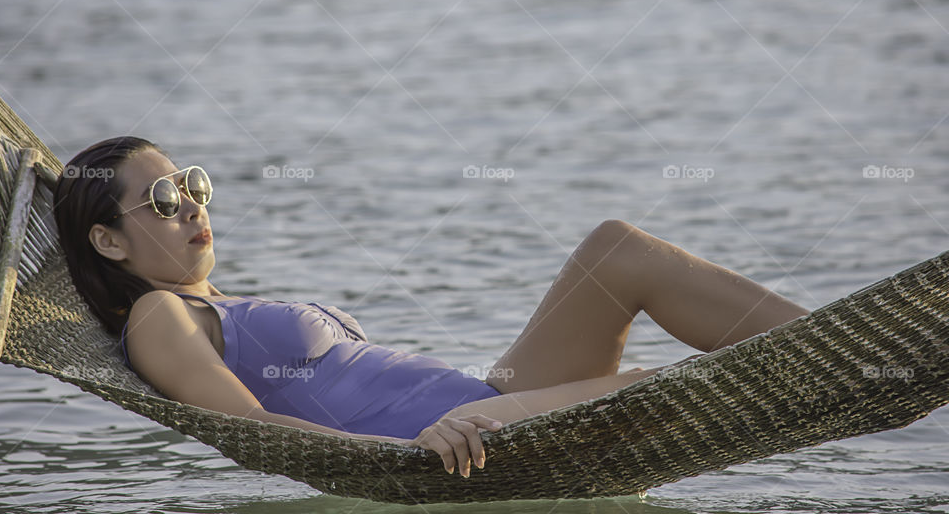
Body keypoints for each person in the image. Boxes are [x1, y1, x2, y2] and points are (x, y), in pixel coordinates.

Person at [52, 136, 811, 479]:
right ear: (110, 243)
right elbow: (248, 428)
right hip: (443, 440)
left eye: (191, 184)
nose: (187, 205)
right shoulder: (160, 316)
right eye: (160, 199)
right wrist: (399, 455)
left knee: (618, 251)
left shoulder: (216, 301)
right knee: (658, 386)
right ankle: (825, 371)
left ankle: (824, 346)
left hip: (487, 398)